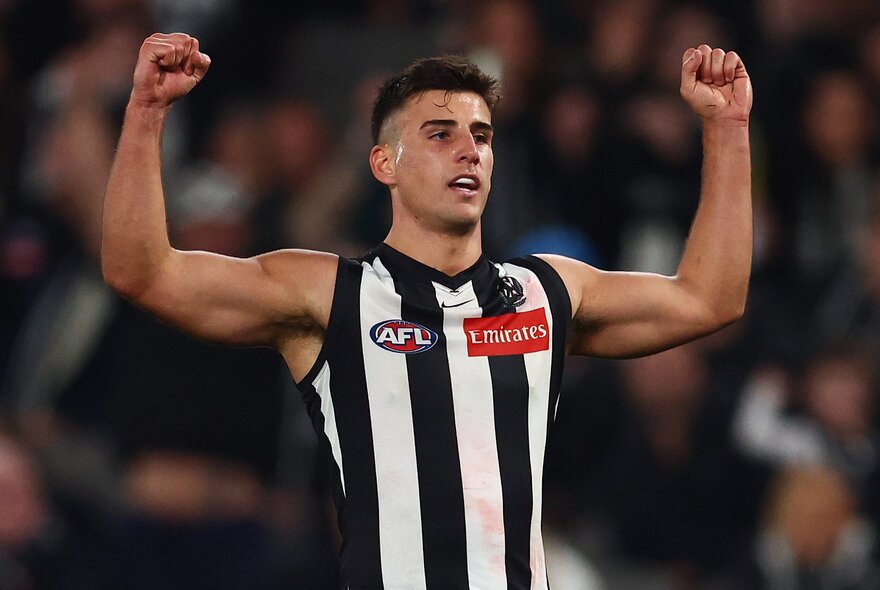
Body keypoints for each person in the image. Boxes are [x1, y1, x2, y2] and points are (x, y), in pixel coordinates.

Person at [101, 32, 753, 589]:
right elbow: (143, 272)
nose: (469, 150)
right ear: (384, 162)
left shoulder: (548, 293)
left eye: (481, 136)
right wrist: (146, 113)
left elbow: (710, 298)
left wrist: (727, 131)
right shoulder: (331, 296)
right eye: (440, 134)